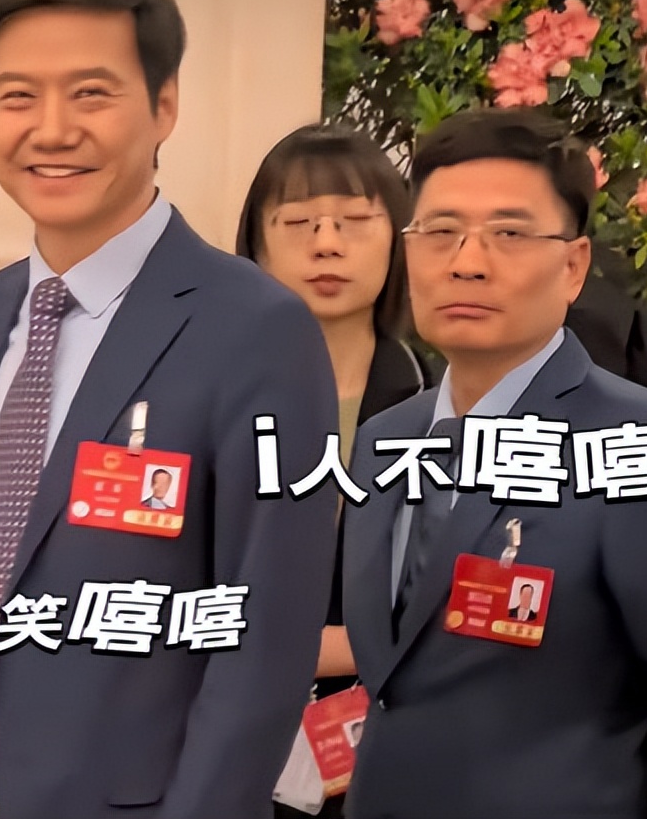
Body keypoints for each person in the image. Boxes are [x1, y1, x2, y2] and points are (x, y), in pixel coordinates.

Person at [0, 0, 338, 819]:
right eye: (18, 97)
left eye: (91, 93)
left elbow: (262, 647)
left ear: (164, 104)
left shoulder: (256, 331)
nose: (51, 129)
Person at [343, 108, 647, 819]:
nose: (467, 261)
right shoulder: (385, 440)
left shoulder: (642, 446)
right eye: (440, 232)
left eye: (509, 234)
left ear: (573, 266)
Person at [235, 123, 434, 819]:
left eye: (354, 222)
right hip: (224, 737)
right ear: (256, 246)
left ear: (398, 241)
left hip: (389, 744)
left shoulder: (445, 407)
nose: (326, 243)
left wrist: (332, 647)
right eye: (298, 223)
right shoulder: (208, 396)